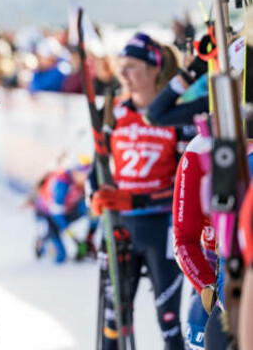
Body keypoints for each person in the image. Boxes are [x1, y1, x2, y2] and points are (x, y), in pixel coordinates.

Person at [90, 32, 190, 349]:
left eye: (132, 66)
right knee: (114, 324)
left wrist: (138, 198)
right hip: (120, 228)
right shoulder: (114, 113)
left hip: (162, 230)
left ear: (153, 69)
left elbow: (186, 185)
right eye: (122, 66)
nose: (124, 74)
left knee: (170, 323)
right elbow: (98, 170)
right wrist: (96, 194)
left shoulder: (176, 116)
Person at [27, 157, 97, 263]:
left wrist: (86, 240)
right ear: (75, 172)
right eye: (84, 174)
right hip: (48, 216)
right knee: (60, 256)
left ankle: (89, 240)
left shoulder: (82, 182)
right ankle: (43, 241)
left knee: (94, 207)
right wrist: (76, 241)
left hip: (65, 211)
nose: (86, 178)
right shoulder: (62, 183)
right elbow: (57, 215)